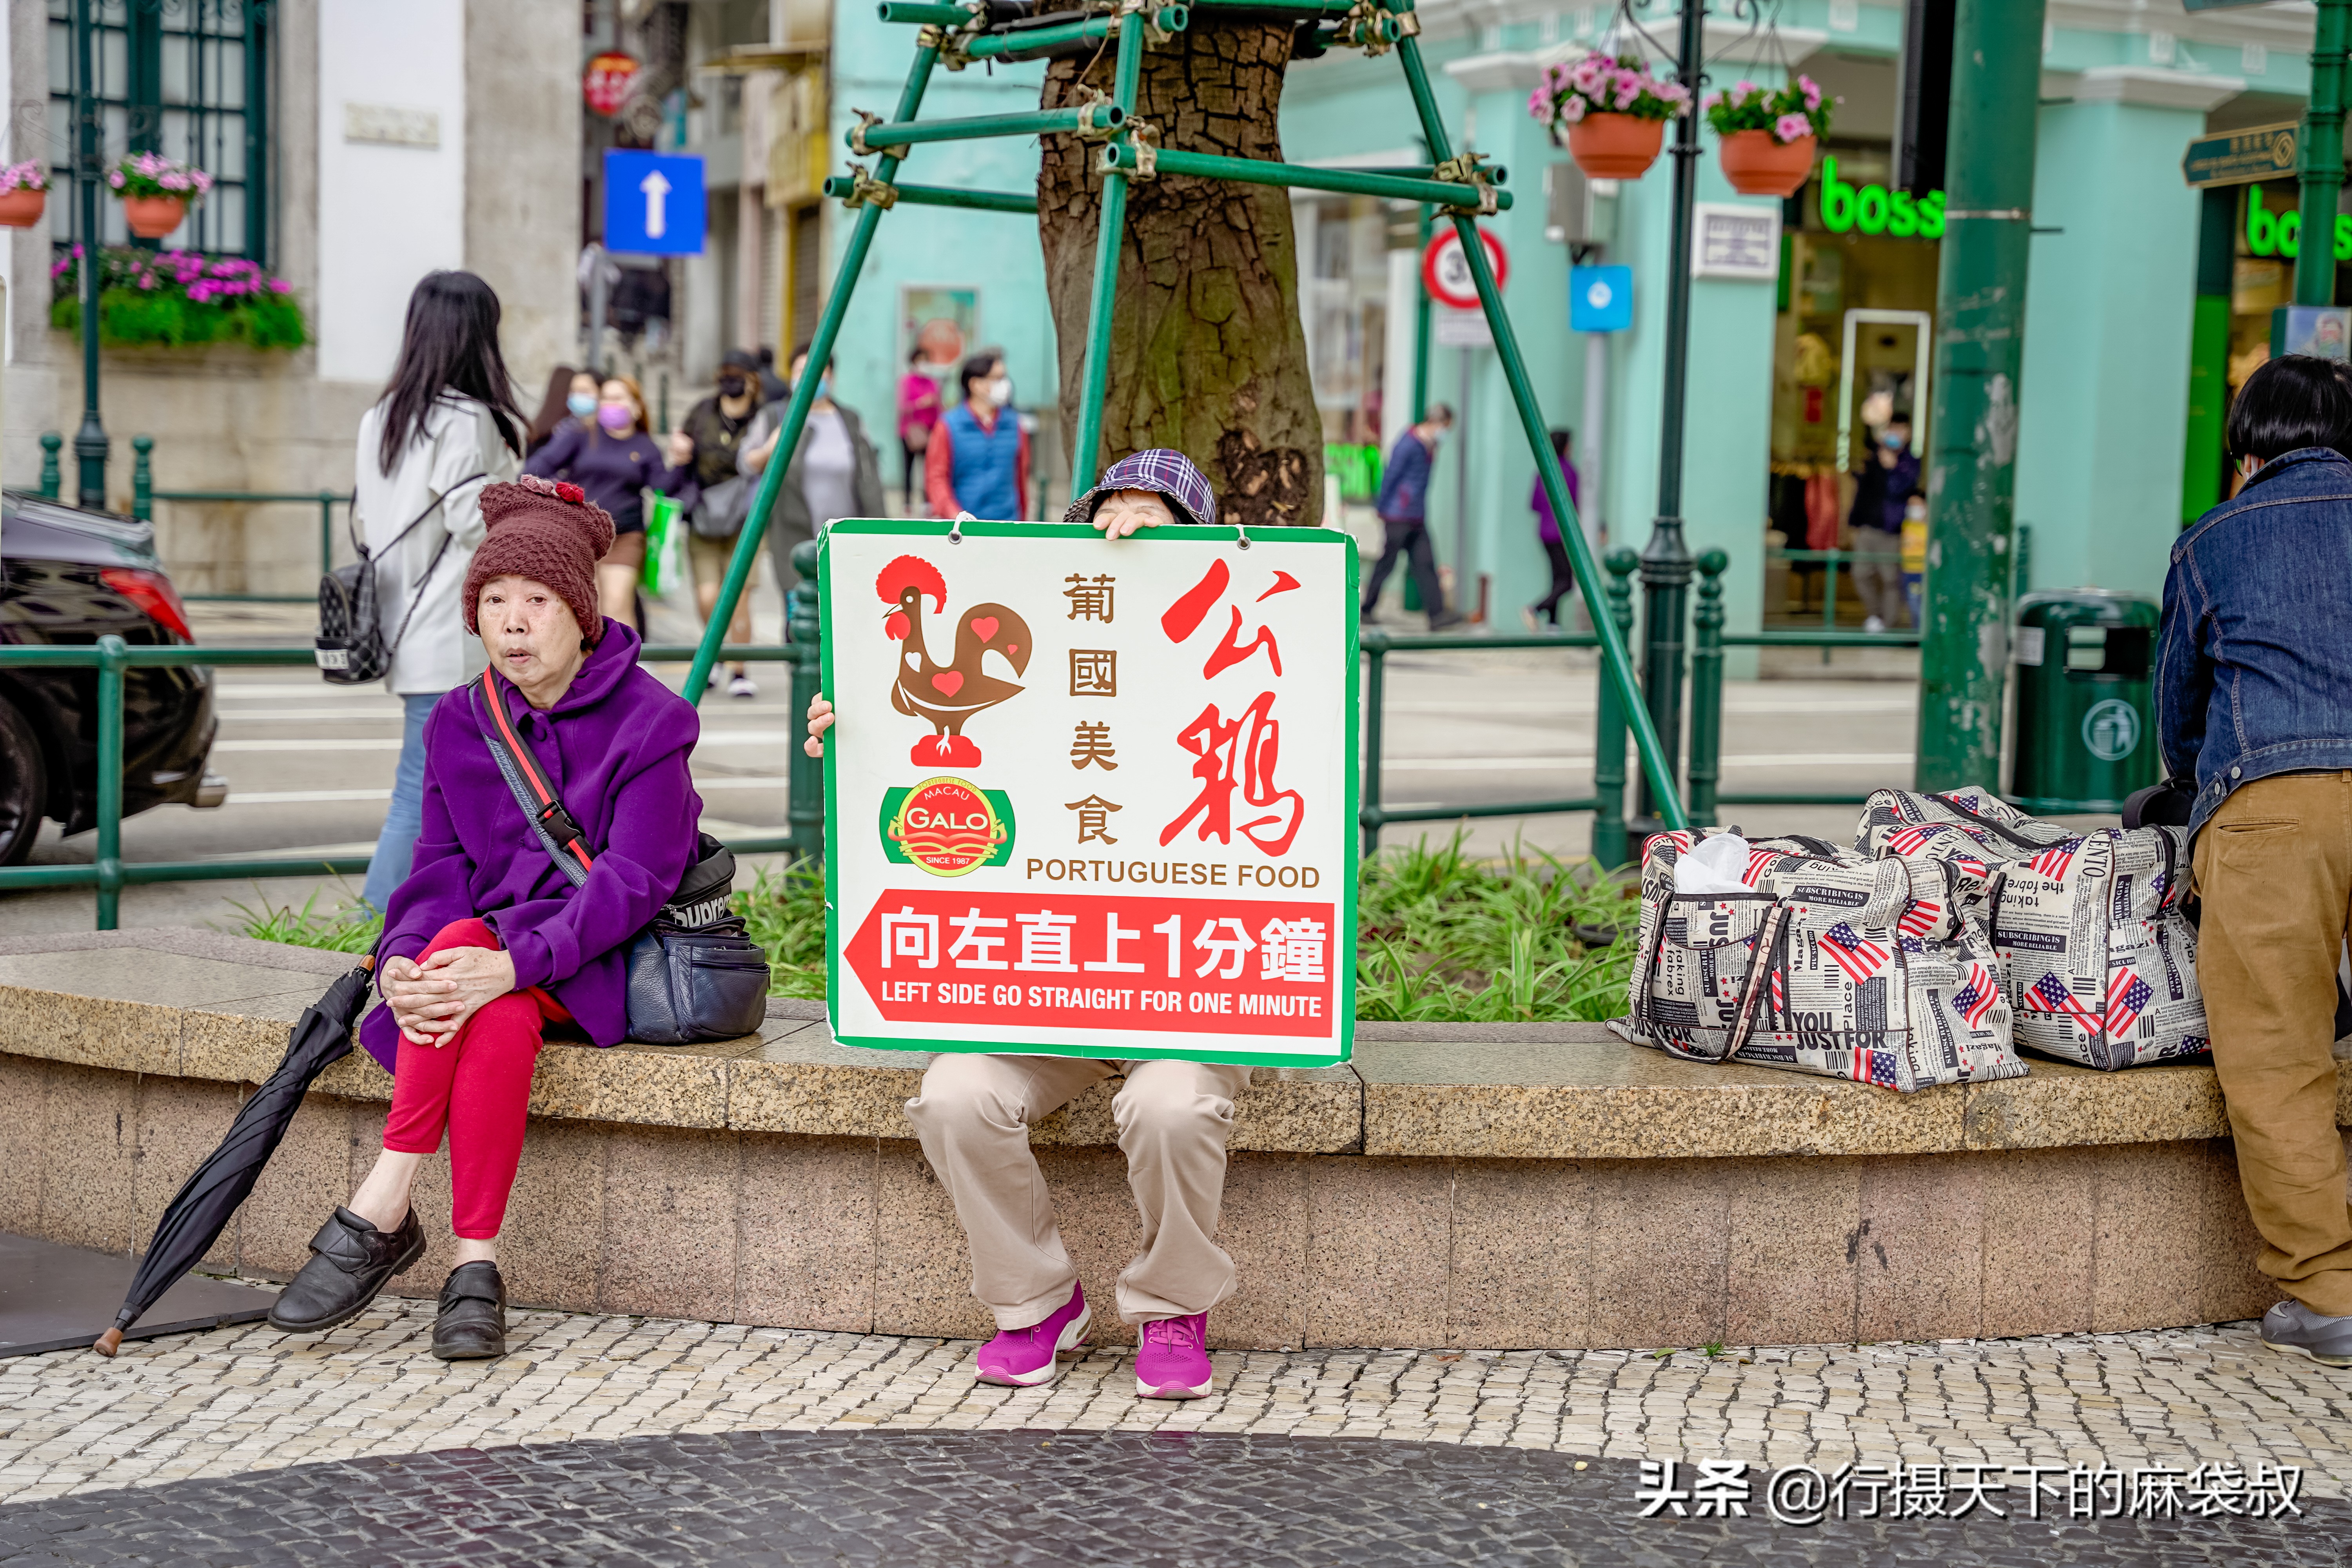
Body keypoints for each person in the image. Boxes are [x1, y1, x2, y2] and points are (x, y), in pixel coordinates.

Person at [806, 450, 1240, 1401]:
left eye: (1155, 519)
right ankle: (1035, 1299)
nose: (1124, 531)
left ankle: (1174, 1304)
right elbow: (943, 787)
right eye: (1110, 513)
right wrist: (865, 741)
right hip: (1049, 980)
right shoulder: (1042, 663)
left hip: (1190, 985)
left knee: (1170, 1104)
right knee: (956, 1093)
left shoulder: (1238, 664)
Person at [269, 475, 700, 1361]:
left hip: (595, 958)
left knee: (469, 954)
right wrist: (401, 956)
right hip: (487, 974)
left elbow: (634, 883)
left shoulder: (654, 720)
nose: (512, 623)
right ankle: (476, 1266)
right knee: (488, 1006)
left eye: (536, 600)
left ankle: (383, 1203)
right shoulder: (463, 720)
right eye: (495, 600)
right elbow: (438, 865)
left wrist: (511, 959)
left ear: (581, 612)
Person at [2158, 352, 2352, 1370]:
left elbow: (2179, 715)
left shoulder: (2216, 538)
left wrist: (2196, 794)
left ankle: (2329, 1296)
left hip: (2273, 808)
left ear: (2245, 450)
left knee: (2279, 1058)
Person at [355, 271, 525, 915]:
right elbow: (471, 518)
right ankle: (377, 919)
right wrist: (527, 498)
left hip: (402, 624)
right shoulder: (463, 418)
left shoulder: (382, 417)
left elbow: (371, 521)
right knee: (424, 788)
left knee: (452, 786)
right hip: (453, 631)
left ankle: (439, 913)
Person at [524, 372, 675, 632]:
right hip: (581, 534)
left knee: (618, 603)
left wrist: (680, 461)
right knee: (591, 608)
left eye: (618, 398)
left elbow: (664, 487)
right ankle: (596, 658)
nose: (610, 404)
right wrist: (560, 492)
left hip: (626, 535)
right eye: (606, 398)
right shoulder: (580, 434)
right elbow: (536, 468)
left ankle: (627, 657)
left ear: (637, 406)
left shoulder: (646, 446)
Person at [737, 344, 886, 599]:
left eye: (818, 370)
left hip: (844, 541)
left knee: (842, 611)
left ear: (831, 377)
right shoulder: (776, 417)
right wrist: (770, 448)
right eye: (800, 371)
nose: (809, 377)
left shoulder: (850, 420)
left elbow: (868, 477)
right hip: (794, 537)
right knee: (800, 612)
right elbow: (745, 464)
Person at [668, 350, 767, 698]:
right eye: (725, 373)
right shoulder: (703, 411)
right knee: (708, 595)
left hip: (746, 520)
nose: (730, 380)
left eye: (738, 374)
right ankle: (719, 653)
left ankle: (739, 670)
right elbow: (682, 447)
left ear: (753, 381)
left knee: (739, 597)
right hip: (705, 518)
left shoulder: (763, 418)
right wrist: (679, 448)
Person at [1361, 404, 1461, 630]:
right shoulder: (1409, 444)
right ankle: (1367, 609)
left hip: (1415, 515)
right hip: (1399, 515)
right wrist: (1382, 508)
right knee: (1387, 562)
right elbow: (1392, 475)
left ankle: (1437, 615)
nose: (1446, 433)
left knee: (1425, 563)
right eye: (1446, 427)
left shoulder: (1428, 445)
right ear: (1436, 423)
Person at [926, 352, 1028, 521]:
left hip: (1007, 524)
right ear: (975, 384)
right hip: (964, 526)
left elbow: (1021, 478)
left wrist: (1023, 523)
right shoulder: (948, 426)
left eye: (1004, 378)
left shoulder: (1015, 425)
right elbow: (937, 478)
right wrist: (954, 514)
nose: (1005, 385)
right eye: (997, 378)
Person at [1847, 412, 1917, 633]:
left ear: (1908, 433)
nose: (1895, 434)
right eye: (1892, 429)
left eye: (1900, 429)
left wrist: (1893, 468)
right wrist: (1854, 522)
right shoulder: (1874, 456)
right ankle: (1875, 616)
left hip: (1891, 530)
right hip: (1868, 527)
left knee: (1890, 579)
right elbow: (1862, 490)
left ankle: (1890, 624)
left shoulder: (1910, 462)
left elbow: (1899, 489)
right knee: (1860, 573)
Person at [1525, 426, 1582, 630]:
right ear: (1566, 447)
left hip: (1545, 532)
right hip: (1562, 534)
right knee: (1567, 581)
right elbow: (1577, 504)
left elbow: (1533, 505)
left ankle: (1553, 625)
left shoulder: (1543, 471)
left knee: (1557, 578)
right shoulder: (1570, 472)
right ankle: (1536, 609)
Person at [897, 347, 943, 511]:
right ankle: (907, 501)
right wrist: (921, 403)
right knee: (908, 468)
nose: (924, 364)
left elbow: (939, 407)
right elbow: (903, 406)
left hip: (929, 431)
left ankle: (927, 501)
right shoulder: (907, 381)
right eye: (920, 360)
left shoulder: (932, 383)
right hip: (910, 431)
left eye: (926, 361)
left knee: (928, 468)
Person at [523, 367, 596, 458]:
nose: (577, 396)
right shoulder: (566, 430)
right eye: (574, 391)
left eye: (584, 391)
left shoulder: (538, 428)